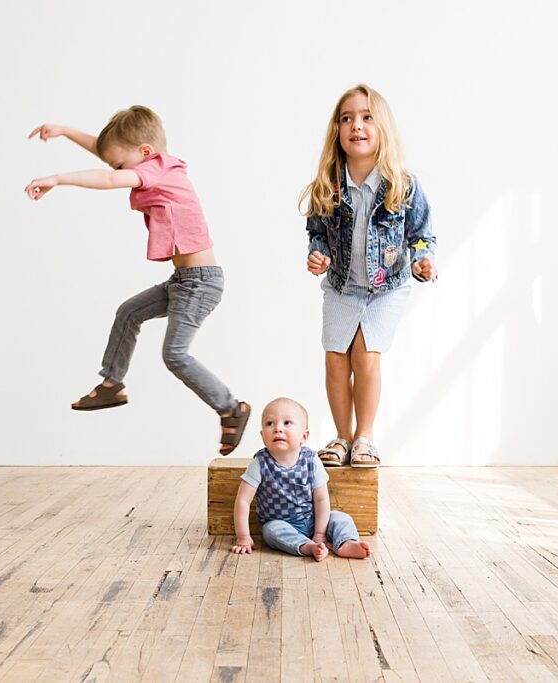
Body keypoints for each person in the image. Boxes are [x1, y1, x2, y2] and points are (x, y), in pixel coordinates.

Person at [24, 107, 250, 455]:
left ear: (145, 153)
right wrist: (65, 131)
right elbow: (109, 154)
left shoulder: (157, 170)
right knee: (129, 312)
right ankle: (112, 384)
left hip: (200, 282)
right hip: (183, 279)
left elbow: (111, 178)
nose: (116, 170)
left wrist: (58, 178)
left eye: (120, 164)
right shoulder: (158, 164)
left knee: (175, 354)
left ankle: (230, 407)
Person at [301, 84, 437, 469]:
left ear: (382, 129)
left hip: (386, 289)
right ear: (337, 130)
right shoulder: (328, 185)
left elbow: (422, 234)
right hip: (342, 286)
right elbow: (317, 232)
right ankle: (342, 436)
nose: (355, 126)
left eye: (366, 117)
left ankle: (365, 436)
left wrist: (423, 259)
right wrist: (319, 256)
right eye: (347, 118)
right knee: (334, 358)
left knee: (365, 355)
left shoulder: (402, 184)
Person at [230, 397, 370, 561]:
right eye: (270, 423)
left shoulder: (311, 460)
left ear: (304, 436)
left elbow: (321, 500)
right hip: (282, 524)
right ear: (262, 436)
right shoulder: (260, 463)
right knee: (270, 531)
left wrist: (320, 533)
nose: (278, 429)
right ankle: (307, 547)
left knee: (341, 518)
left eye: (287, 423)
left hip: (313, 520)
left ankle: (346, 543)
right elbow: (243, 501)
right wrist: (243, 537)